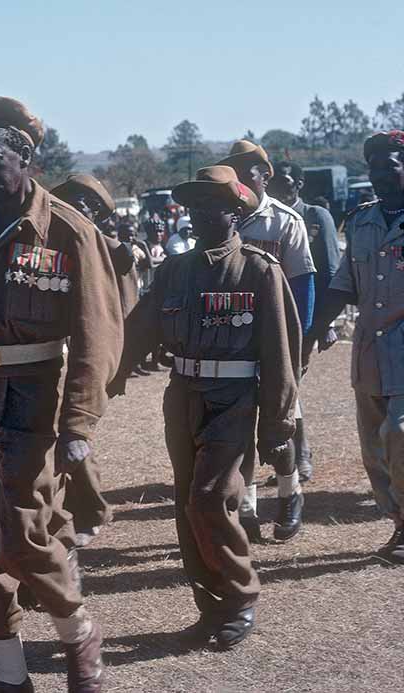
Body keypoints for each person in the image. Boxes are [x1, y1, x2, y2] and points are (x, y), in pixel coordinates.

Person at [0, 97, 118, 693]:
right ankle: (10, 678)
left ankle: (78, 634)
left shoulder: (68, 230)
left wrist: (80, 424)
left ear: (25, 155)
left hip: (31, 399)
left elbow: (97, 332)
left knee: (22, 535)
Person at [109, 165, 300, 649]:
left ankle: (240, 597)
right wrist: (104, 378)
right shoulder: (175, 271)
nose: (198, 213)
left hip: (234, 401)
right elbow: (137, 332)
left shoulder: (258, 270)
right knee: (186, 504)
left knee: (211, 498)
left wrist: (278, 426)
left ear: (234, 210)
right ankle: (211, 607)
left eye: (209, 203)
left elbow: (281, 353)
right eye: (192, 205)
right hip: (183, 398)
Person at [303, 130, 404, 565]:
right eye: (374, 167)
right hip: (369, 354)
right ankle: (398, 521)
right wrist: (305, 335)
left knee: (399, 435)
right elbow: (342, 286)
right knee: (374, 451)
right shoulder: (362, 221)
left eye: (390, 165)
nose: (380, 175)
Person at [216, 140, 313, 541]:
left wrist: (298, 347)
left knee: (278, 427)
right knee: (241, 428)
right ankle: (250, 506)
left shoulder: (285, 221)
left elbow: (303, 286)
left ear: (265, 175)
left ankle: (290, 493)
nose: (239, 180)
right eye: (233, 172)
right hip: (235, 340)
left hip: (278, 341)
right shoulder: (225, 218)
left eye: (247, 172)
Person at [49, 174, 126, 545]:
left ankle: (89, 509)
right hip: (52, 352)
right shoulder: (51, 234)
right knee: (62, 439)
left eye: (84, 207)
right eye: (70, 203)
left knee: (71, 435)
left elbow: (125, 256)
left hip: (82, 355)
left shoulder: (96, 240)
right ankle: (90, 508)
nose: (75, 212)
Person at [268, 160, 342, 482]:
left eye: (284, 181)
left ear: (298, 183)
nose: (277, 188)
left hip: (305, 319)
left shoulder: (315, 216)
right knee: (282, 389)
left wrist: (324, 324)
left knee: (289, 388)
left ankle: (300, 455)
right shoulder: (270, 219)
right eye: (273, 181)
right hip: (273, 319)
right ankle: (291, 456)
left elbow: (330, 273)